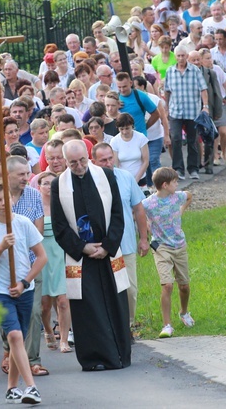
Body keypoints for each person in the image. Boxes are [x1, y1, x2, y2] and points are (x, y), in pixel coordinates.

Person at [50, 140, 130, 371]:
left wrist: (107, 245)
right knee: (88, 307)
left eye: (82, 160)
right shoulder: (59, 185)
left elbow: (117, 214)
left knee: (115, 302)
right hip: (81, 257)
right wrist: (83, 247)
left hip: (108, 253)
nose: (79, 166)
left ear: (88, 156)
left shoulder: (106, 176)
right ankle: (94, 358)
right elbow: (60, 226)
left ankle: (120, 355)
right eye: (73, 163)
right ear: (65, 162)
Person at [0, 181, 47, 405]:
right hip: (0, 291)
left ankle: (11, 388)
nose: (3, 204)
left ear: (13, 200)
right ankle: (32, 387)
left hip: (24, 289)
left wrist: (25, 283)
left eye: (6, 199)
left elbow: (42, 257)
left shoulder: (24, 224)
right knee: (14, 336)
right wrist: (0, 248)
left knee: (19, 339)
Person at [92, 143, 149, 334]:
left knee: (130, 290)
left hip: (126, 244)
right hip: (100, 246)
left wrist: (143, 238)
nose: (109, 163)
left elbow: (138, 209)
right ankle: (112, 327)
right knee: (108, 289)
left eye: (110, 158)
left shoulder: (125, 178)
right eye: (103, 160)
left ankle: (128, 324)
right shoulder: (91, 181)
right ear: (94, 161)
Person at [140, 167, 195, 339]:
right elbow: (138, 215)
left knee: (184, 286)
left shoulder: (177, 196)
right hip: (161, 247)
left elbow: (189, 195)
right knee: (167, 285)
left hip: (179, 245)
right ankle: (167, 325)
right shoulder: (148, 203)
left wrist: (181, 211)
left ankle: (184, 312)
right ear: (165, 185)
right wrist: (147, 229)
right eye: (175, 182)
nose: (177, 184)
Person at [35, 171, 72, 354]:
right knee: (44, 304)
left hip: (61, 256)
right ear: (39, 186)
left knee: (63, 301)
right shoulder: (35, 207)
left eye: (52, 183)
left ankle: (64, 339)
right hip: (42, 256)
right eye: (45, 183)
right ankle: (49, 331)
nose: (49, 187)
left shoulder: (62, 205)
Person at [164, 45, 209, 180]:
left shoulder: (195, 71)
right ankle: (178, 168)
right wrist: (166, 107)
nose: (181, 58)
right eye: (179, 56)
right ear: (175, 57)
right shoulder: (170, 71)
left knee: (193, 140)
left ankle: (193, 168)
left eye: (183, 56)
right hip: (175, 111)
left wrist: (205, 105)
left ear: (187, 57)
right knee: (176, 138)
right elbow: (167, 91)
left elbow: (203, 89)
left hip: (192, 110)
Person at [110, 113, 149, 189]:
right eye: (121, 129)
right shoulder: (114, 141)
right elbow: (116, 164)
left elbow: (146, 161)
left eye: (127, 128)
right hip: (123, 179)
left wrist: (136, 179)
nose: (124, 132)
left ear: (132, 126)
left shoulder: (141, 138)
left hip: (140, 178)